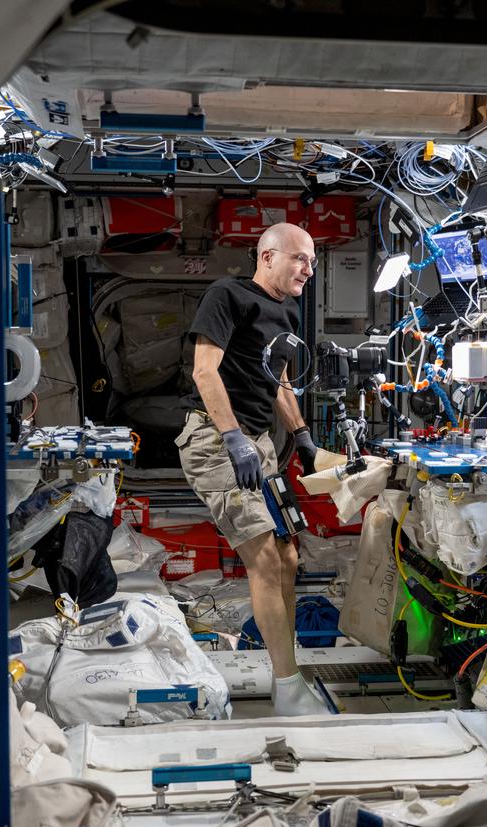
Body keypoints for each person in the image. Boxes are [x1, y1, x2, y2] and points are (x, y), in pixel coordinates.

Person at [177, 222, 327, 716]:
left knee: (287, 558)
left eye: (312, 259)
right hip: (215, 439)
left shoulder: (287, 309)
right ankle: (288, 687)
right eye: (299, 258)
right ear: (267, 257)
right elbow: (205, 370)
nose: (309, 267)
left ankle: (284, 668)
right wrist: (232, 436)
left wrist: (301, 435)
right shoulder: (228, 295)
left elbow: (278, 376)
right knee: (263, 559)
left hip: (258, 443)